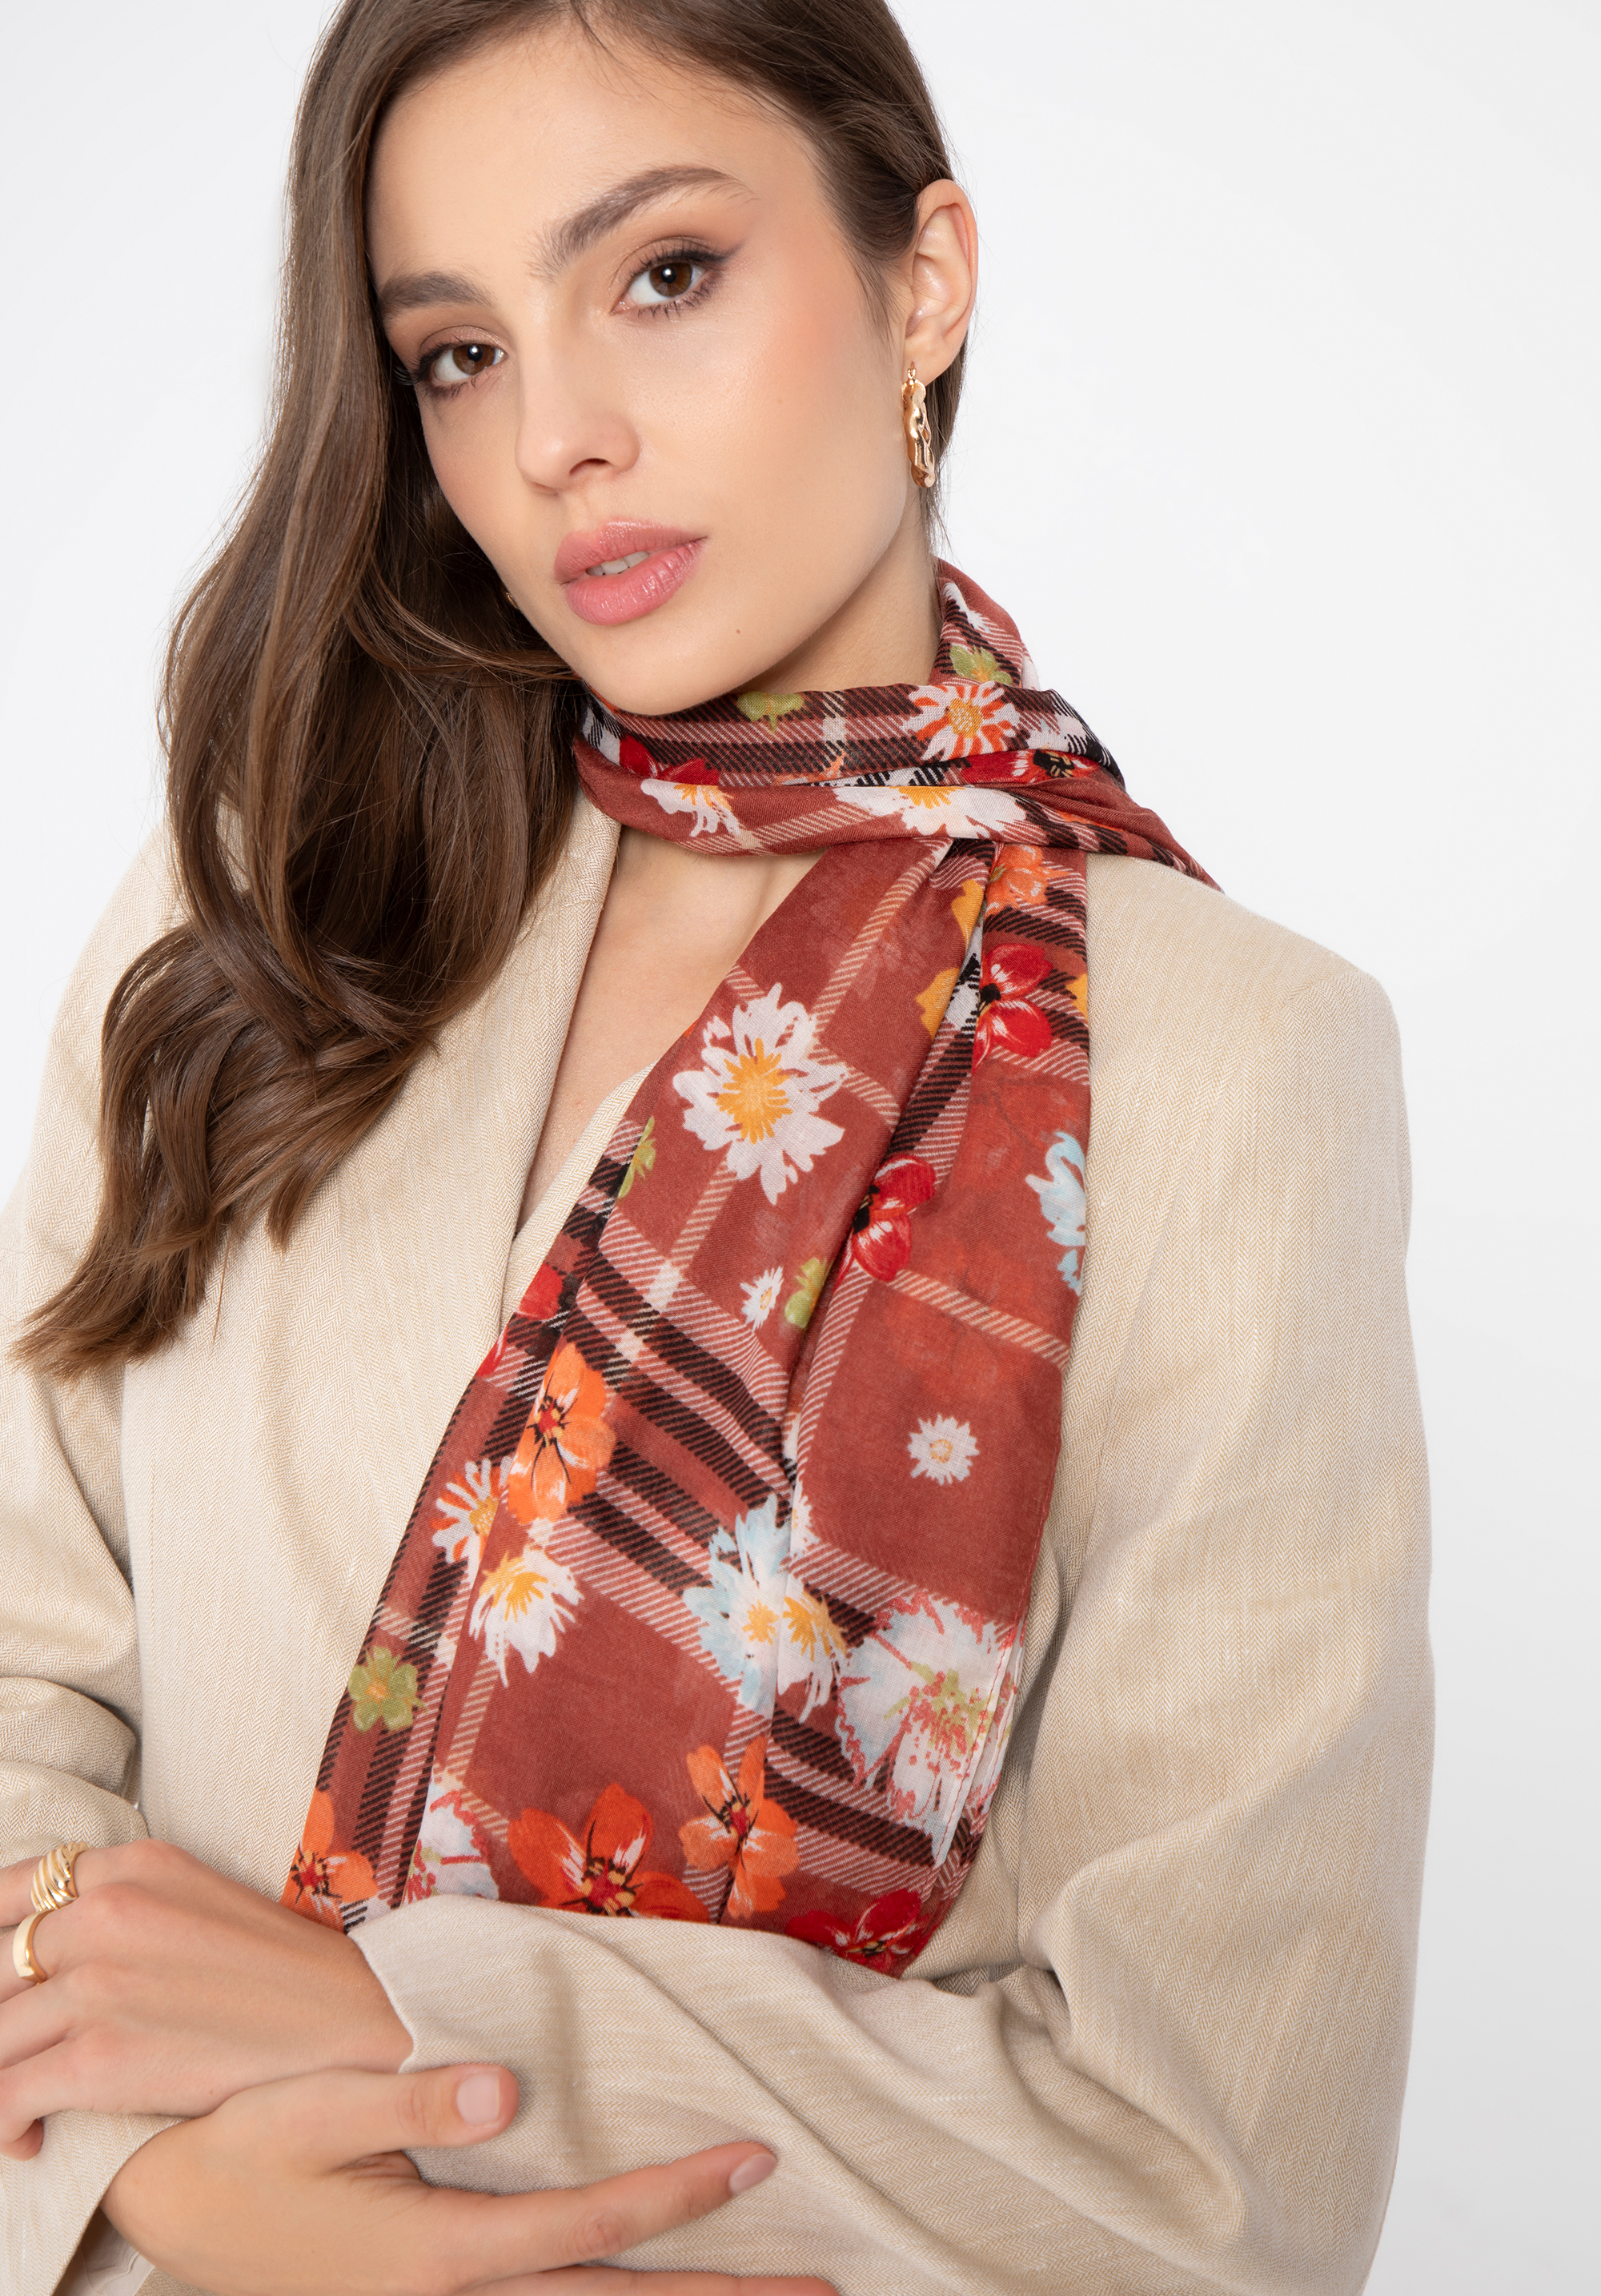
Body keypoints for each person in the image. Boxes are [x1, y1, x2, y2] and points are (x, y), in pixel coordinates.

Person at [0, 2, 1431, 2291]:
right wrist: (146, 2179)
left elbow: (1217, 2177)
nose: (554, 435)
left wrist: (413, 2039)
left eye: (663, 274)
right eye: (458, 353)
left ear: (922, 282)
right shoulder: (278, 903)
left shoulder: (1227, 1062)